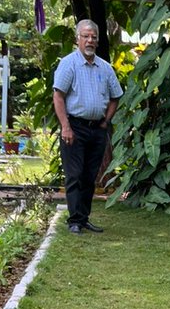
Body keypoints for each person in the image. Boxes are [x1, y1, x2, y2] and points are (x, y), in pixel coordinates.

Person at [52, 19, 123, 234]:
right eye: (86, 36)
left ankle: (83, 218)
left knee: (90, 176)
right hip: (74, 127)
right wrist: (65, 126)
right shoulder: (69, 64)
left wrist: (105, 122)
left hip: (97, 129)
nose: (90, 40)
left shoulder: (105, 67)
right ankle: (74, 220)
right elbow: (58, 96)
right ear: (78, 39)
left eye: (93, 37)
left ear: (98, 40)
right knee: (74, 175)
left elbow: (116, 97)